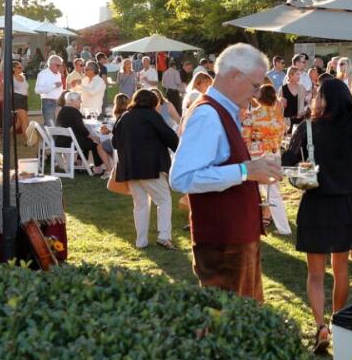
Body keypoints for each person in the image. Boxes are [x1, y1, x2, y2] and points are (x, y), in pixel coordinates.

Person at [169, 44, 282, 299]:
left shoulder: (222, 111)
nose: (256, 94)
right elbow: (182, 178)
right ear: (234, 76)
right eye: (254, 86)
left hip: (233, 241)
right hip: (224, 245)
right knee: (229, 325)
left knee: (243, 321)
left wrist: (252, 169)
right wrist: (245, 170)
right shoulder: (208, 114)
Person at [283, 78, 352, 354]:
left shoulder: (308, 127)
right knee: (341, 270)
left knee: (316, 273)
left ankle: (320, 325)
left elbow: (288, 161)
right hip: (345, 205)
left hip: (316, 204)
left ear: (324, 99)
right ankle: (337, 320)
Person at [113, 89, 179, 250]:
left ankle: (140, 241)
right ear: (153, 103)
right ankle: (164, 236)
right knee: (164, 200)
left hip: (130, 167)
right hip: (150, 166)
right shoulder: (151, 116)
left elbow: (115, 143)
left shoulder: (124, 117)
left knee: (140, 204)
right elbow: (170, 137)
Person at [242, 83, 291, 234]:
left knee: (252, 192)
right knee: (273, 192)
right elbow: (283, 133)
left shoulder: (252, 116)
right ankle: (282, 227)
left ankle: (278, 227)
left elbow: (244, 138)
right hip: (274, 154)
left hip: (256, 157)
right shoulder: (278, 116)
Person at [54, 92, 111, 175]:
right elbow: (82, 129)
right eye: (79, 99)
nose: (81, 101)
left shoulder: (62, 110)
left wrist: (88, 136)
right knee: (95, 144)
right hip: (71, 142)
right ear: (71, 101)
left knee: (86, 141)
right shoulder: (74, 111)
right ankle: (98, 168)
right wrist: (92, 137)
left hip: (60, 141)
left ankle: (78, 162)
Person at [35, 55, 65, 126]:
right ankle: (49, 137)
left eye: (60, 65)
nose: (60, 67)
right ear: (51, 64)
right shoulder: (43, 74)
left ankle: (56, 137)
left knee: (59, 124)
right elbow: (37, 90)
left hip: (60, 102)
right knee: (50, 125)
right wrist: (53, 86)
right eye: (58, 65)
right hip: (48, 102)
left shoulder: (58, 74)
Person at [10, 61, 29, 137]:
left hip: (24, 99)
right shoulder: (11, 78)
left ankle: (7, 135)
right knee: (25, 121)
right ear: (14, 69)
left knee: (19, 122)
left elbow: (25, 88)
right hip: (17, 99)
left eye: (22, 67)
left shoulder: (23, 76)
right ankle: (27, 140)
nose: (21, 69)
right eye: (19, 67)